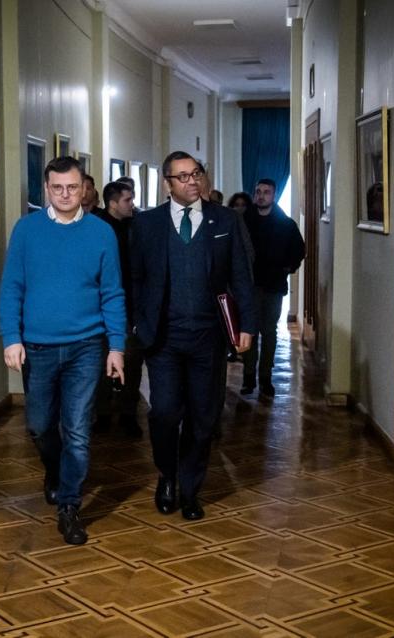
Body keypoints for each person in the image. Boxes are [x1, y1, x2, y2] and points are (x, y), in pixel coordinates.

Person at [0, 156, 126, 545]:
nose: (66, 194)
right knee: (39, 425)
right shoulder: (27, 230)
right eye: (58, 188)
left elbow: (113, 293)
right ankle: (55, 471)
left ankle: (69, 506)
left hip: (86, 346)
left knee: (77, 430)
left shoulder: (102, 233)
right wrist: (11, 337)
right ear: (46, 189)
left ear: (84, 188)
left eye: (73, 187)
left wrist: (116, 347)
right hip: (37, 346)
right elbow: (11, 288)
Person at [130, 151, 256, 520]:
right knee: (165, 413)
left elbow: (241, 276)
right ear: (167, 183)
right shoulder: (148, 224)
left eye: (196, 174)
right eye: (182, 176)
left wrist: (247, 325)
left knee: (203, 417)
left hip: (208, 337)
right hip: (164, 338)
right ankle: (166, 475)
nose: (191, 181)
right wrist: (138, 321)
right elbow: (135, 276)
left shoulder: (225, 220)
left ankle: (189, 489)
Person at [241, 178, 305, 397]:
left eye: (266, 192)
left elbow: (299, 250)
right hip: (248, 285)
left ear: (274, 196)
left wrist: (287, 268)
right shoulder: (244, 221)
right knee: (248, 330)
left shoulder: (285, 224)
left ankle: (265, 377)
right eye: (258, 191)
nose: (261, 195)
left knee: (269, 332)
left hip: (273, 286)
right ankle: (248, 377)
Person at [92, 181, 144, 437]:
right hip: (101, 306)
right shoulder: (96, 228)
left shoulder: (136, 227)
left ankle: (128, 414)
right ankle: (102, 414)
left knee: (132, 362)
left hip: (131, 305)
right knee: (101, 361)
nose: (132, 204)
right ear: (113, 203)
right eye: (127, 200)